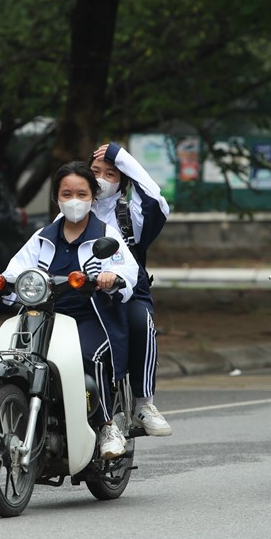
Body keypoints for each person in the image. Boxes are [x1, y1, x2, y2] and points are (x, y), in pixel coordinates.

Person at [0, 161, 140, 459]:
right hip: (42, 320)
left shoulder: (107, 236)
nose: (74, 200)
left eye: (81, 193)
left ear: (92, 196)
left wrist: (111, 278)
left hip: (92, 319)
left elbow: (127, 272)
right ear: (57, 198)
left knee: (88, 358)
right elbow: (16, 274)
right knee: (15, 359)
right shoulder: (41, 238)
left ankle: (106, 426)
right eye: (67, 193)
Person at [88, 142, 173, 436]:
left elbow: (156, 202)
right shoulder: (70, 215)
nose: (100, 179)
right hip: (81, 294)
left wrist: (121, 157)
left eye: (110, 174)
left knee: (141, 322)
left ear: (122, 184)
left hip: (128, 292)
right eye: (95, 172)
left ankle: (143, 403)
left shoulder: (128, 217)